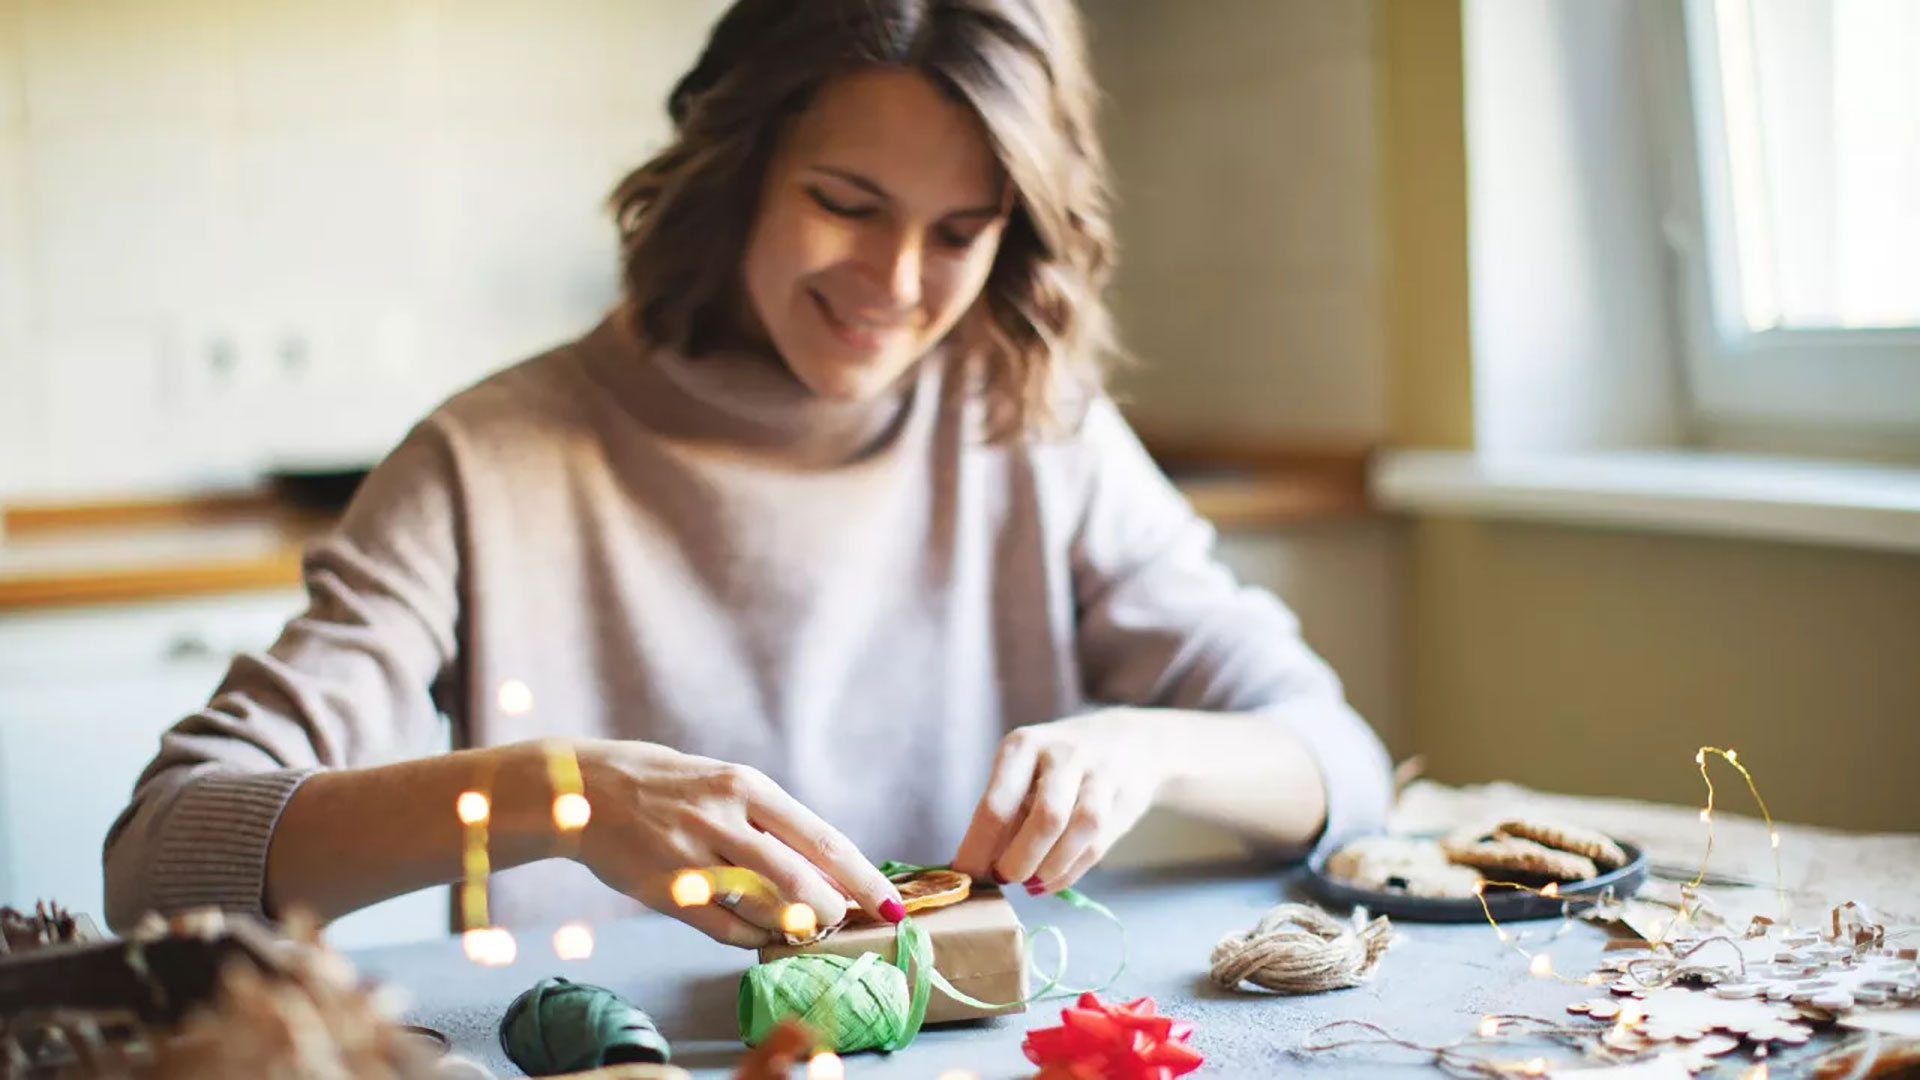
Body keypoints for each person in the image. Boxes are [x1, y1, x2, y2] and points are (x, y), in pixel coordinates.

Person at [103, 0, 1392, 948]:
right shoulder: (486, 461)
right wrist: (564, 797)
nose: (894, 289)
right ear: (736, 175)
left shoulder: (1029, 425)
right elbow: (160, 858)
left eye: (957, 233)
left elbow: (1342, 764)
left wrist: (1148, 749)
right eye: (845, 200)